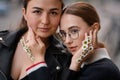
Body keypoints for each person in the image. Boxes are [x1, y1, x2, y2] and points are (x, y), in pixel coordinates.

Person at [0, 0, 70, 80]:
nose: (45, 21)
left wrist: (39, 62)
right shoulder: (2, 42)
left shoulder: (66, 58)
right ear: (24, 13)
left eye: (53, 13)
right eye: (37, 11)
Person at [58, 2, 120, 80]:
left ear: (94, 29)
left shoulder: (104, 70)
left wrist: (75, 64)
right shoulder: (68, 62)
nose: (67, 41)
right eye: (63, 34)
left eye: (74, 31)